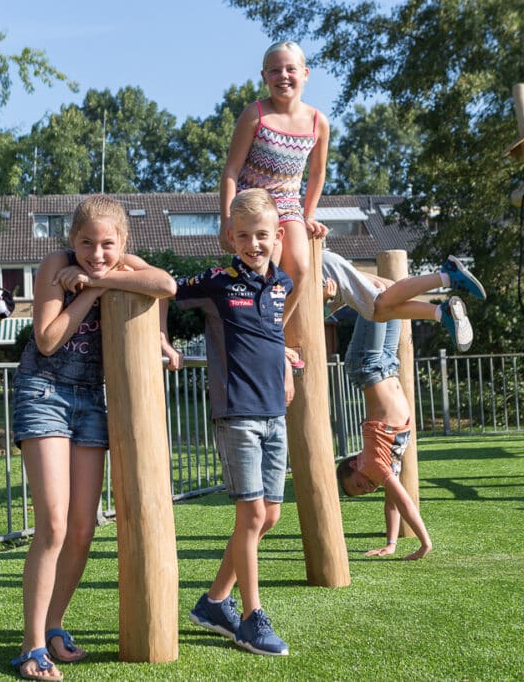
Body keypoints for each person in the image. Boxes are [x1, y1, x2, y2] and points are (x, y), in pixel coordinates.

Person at [11, 196, 176, 681]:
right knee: (55, 525)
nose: (96, 253)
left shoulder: (117, 265)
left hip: (90, 400)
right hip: (44, 393)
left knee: (84, 526)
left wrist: (102, 280)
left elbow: (164, 285)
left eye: (108, 244)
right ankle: (31, 646)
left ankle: (55, 625)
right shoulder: (54, 266)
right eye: (86, 243)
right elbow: (47, 338)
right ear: (71, 240)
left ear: (124, 242)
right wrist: (87, 293)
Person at [166, 189, 294, 656]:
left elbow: (272, 332)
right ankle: (250, 615)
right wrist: (163, 338)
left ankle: (214, 600)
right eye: (243, 236)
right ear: (231, 238)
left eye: (262, 235)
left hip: (274, 416)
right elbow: (166, 288)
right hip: (236, 413)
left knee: (271, 516)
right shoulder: (219, 282)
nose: (253, 244)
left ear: (277, 235)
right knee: (252, 515)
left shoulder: (283, 284)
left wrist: (285, 358)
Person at [325, 273, 437, 560]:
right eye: (364, 491)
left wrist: (425, 542)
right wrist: (392, 543)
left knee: (376, 293)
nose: (367, 486)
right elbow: (392, 503)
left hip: (368, 364)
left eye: (359, 483)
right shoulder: (388, 463)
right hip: (387, 365)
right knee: (390, 291)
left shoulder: (375, 462)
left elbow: (404, 501)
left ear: (356, 463)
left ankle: (339, 288)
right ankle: (343, 294)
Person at [219, 40, 330, 325]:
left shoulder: (318, 122)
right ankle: (254, 322)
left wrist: (309, 214)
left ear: (305, 73)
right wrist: (227, 220)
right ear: (264, 76)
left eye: (290, 69)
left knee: (301, 265)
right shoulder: (255, 114)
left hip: (287, 203)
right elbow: (231, 170)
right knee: (268, 260)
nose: (283, 76)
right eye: (275, 70)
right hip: (252, 201)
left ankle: (276, 328)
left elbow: (317, 173)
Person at [321, 249, 485, 352]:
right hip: (325, 272)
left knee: (378, 307)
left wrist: (325, 298)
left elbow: (311, 313)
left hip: (321, 271)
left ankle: (448, 276)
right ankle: (442, 312)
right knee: (388, 293)